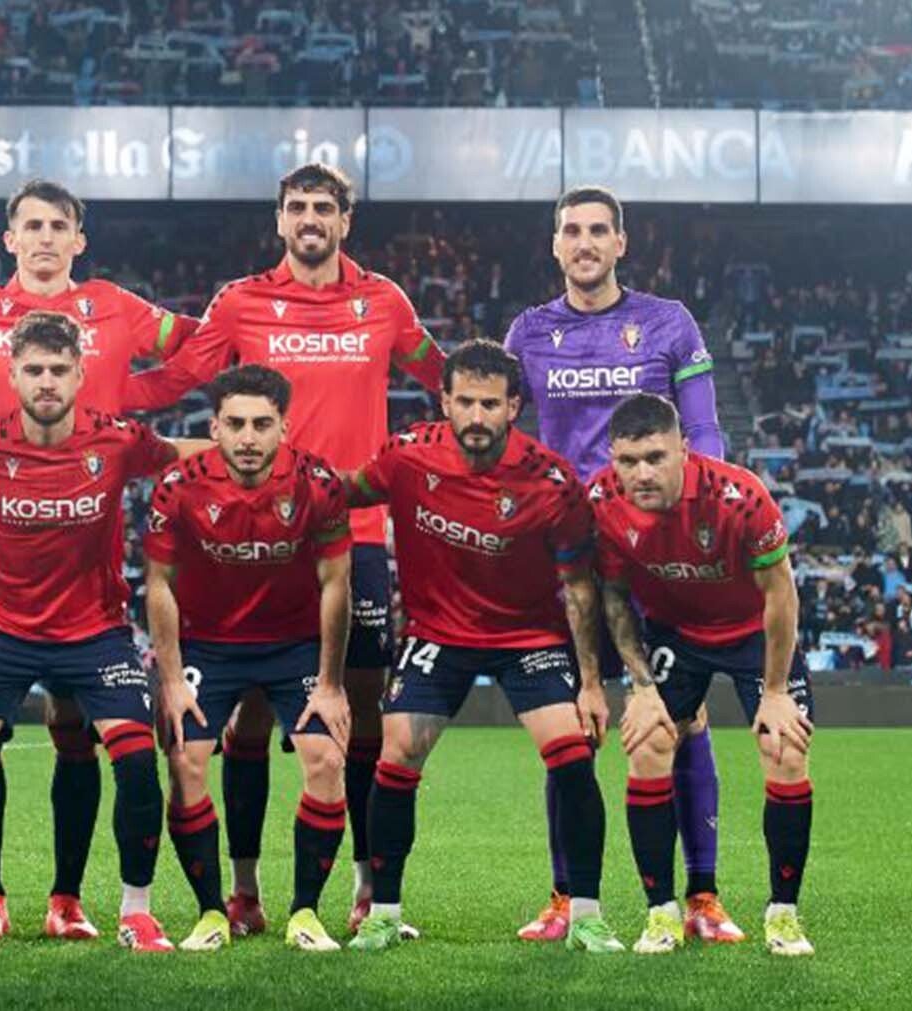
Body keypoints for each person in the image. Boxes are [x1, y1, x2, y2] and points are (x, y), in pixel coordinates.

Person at [124, 162, 444, 935]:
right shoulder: (240, 301)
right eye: (297, 206)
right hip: (248, 534)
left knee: (356, 716)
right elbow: (178, 377)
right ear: (279, 219)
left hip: (352, 536)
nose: (310, 218)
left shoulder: (384, 301)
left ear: (344, 221)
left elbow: (447, 378)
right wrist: (92, 396)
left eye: (324, 207)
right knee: (248, 721)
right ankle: (244, 889)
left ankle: (367, 890)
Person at [0, 179, 198, 939]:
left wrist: (132, 393)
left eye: (60, 225)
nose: (46, 237)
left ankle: (67, 898)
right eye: (33, 225)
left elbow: (203, 347)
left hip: (86, 537)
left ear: (79, 240)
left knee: (73, 729)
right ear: (10, 238)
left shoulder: (114, 308)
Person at [503, 185, 738, 944]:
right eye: (572, 230)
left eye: (599, 230)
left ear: (621, 243)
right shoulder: (529, 333)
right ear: (555, 244)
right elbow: (505, 440)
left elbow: (705, 433)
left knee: (684, 717)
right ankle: (567, 898)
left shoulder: (668, 323)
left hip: (654, 558)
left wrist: (698, 522)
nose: (585, 242)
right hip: (565, 561)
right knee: (567, 727)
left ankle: (702, 897)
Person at [340, 340, 623, 954]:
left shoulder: (551, 482)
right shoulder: (406, 456)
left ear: (513, 407)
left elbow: (580, 586)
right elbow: (344, 492)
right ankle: (383, 912)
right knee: (397, 750)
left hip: (528, 637)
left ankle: (587, 914)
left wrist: (591, 683)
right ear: (443, 400)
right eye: (465, 401)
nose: (476, 416)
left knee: (572, 754)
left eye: (490, 404)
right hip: (437, 633)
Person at [591, 394, 816, 956]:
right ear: (613, 458)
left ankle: (783, 915)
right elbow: (614, 599)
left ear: (684, 450)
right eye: (628, 461)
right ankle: (661, 914)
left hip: (752, 633)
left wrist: (775, 692)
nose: (642, 473)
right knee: (647, 742)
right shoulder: (601, 501)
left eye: (655, 457)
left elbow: (781, 595)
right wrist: (641, 687)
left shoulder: (741, 497)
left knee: (785, 748)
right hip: (677, 636)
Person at [146, 365, 354, 953]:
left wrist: (331, 684)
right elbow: (159, 583)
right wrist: (171, 681)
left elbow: (336, 582)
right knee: (185, 760)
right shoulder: (179, 486)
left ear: (284, 427)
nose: (247, 437)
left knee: (326, 760)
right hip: (209, 643)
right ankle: (213, 912)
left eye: (262, 424)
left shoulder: (318, 484)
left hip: (293, 644)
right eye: (235, 424)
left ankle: (306, 912)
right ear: (214, 427)